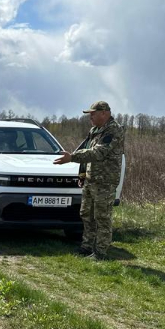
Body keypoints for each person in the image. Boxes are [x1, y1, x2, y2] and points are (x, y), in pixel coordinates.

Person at [53, 101, 125, 260]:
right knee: (86, 214)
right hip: (91, 179)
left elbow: (97, 153)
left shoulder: (113, 130)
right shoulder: (95, 130)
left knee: (102, 217)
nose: (90, 117)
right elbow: (87, 151)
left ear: (104, 113)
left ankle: (100, 252)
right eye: (89, 114)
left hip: (105, 181)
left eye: (93, 113)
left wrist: (72, 157)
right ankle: (87, 247)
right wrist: (82, 174)